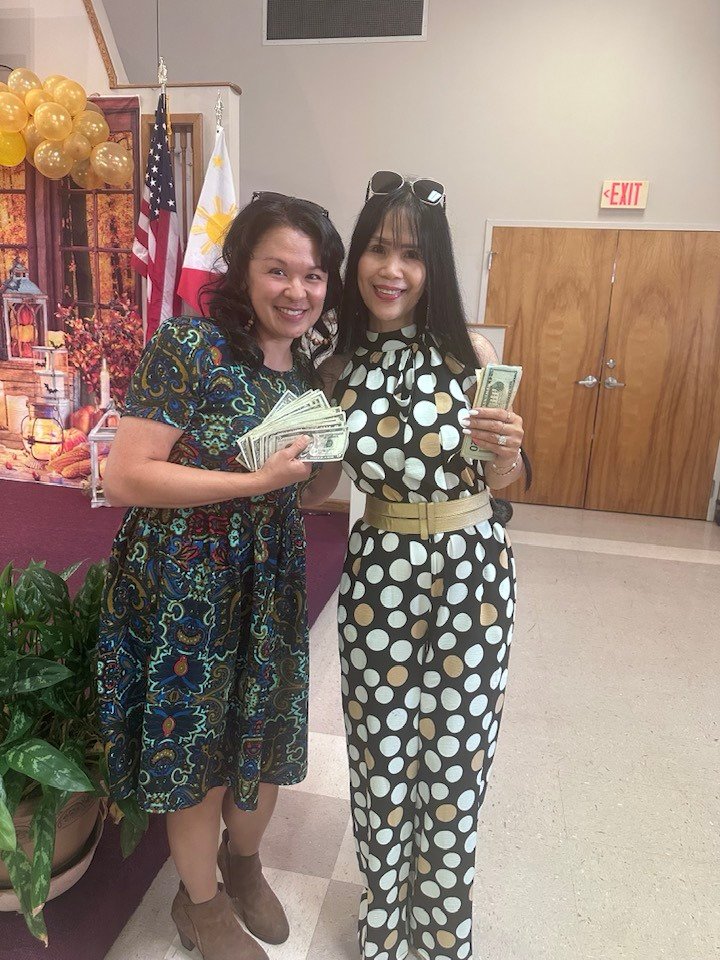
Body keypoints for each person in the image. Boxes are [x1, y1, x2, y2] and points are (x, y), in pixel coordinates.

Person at [96, 192, 344, 960]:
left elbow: (309, 493)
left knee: (264, 737)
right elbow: (125, 475)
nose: (297, 291)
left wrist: (327, 459)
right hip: (188, 587)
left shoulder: (309, 375)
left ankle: (243, 864)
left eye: (313, 275)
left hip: (269, 585)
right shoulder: (190, 346)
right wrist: (253, 482)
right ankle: (199, 903)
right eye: (278, 270)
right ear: (241, 269)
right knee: (198, 752)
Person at [303, 171, 527, 960]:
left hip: (474, 574)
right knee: (381, 758)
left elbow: (505, 480)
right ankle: (383, 929)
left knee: (456, 762)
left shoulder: (472, 355)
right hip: (378, 578)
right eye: (377, 249)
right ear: (355, 261)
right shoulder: (334, 370)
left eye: (411, 254)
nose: (391, 269)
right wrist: (279, 458)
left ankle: (440, 936)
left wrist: (509, 452)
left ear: (434, 267)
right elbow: (321, 490)